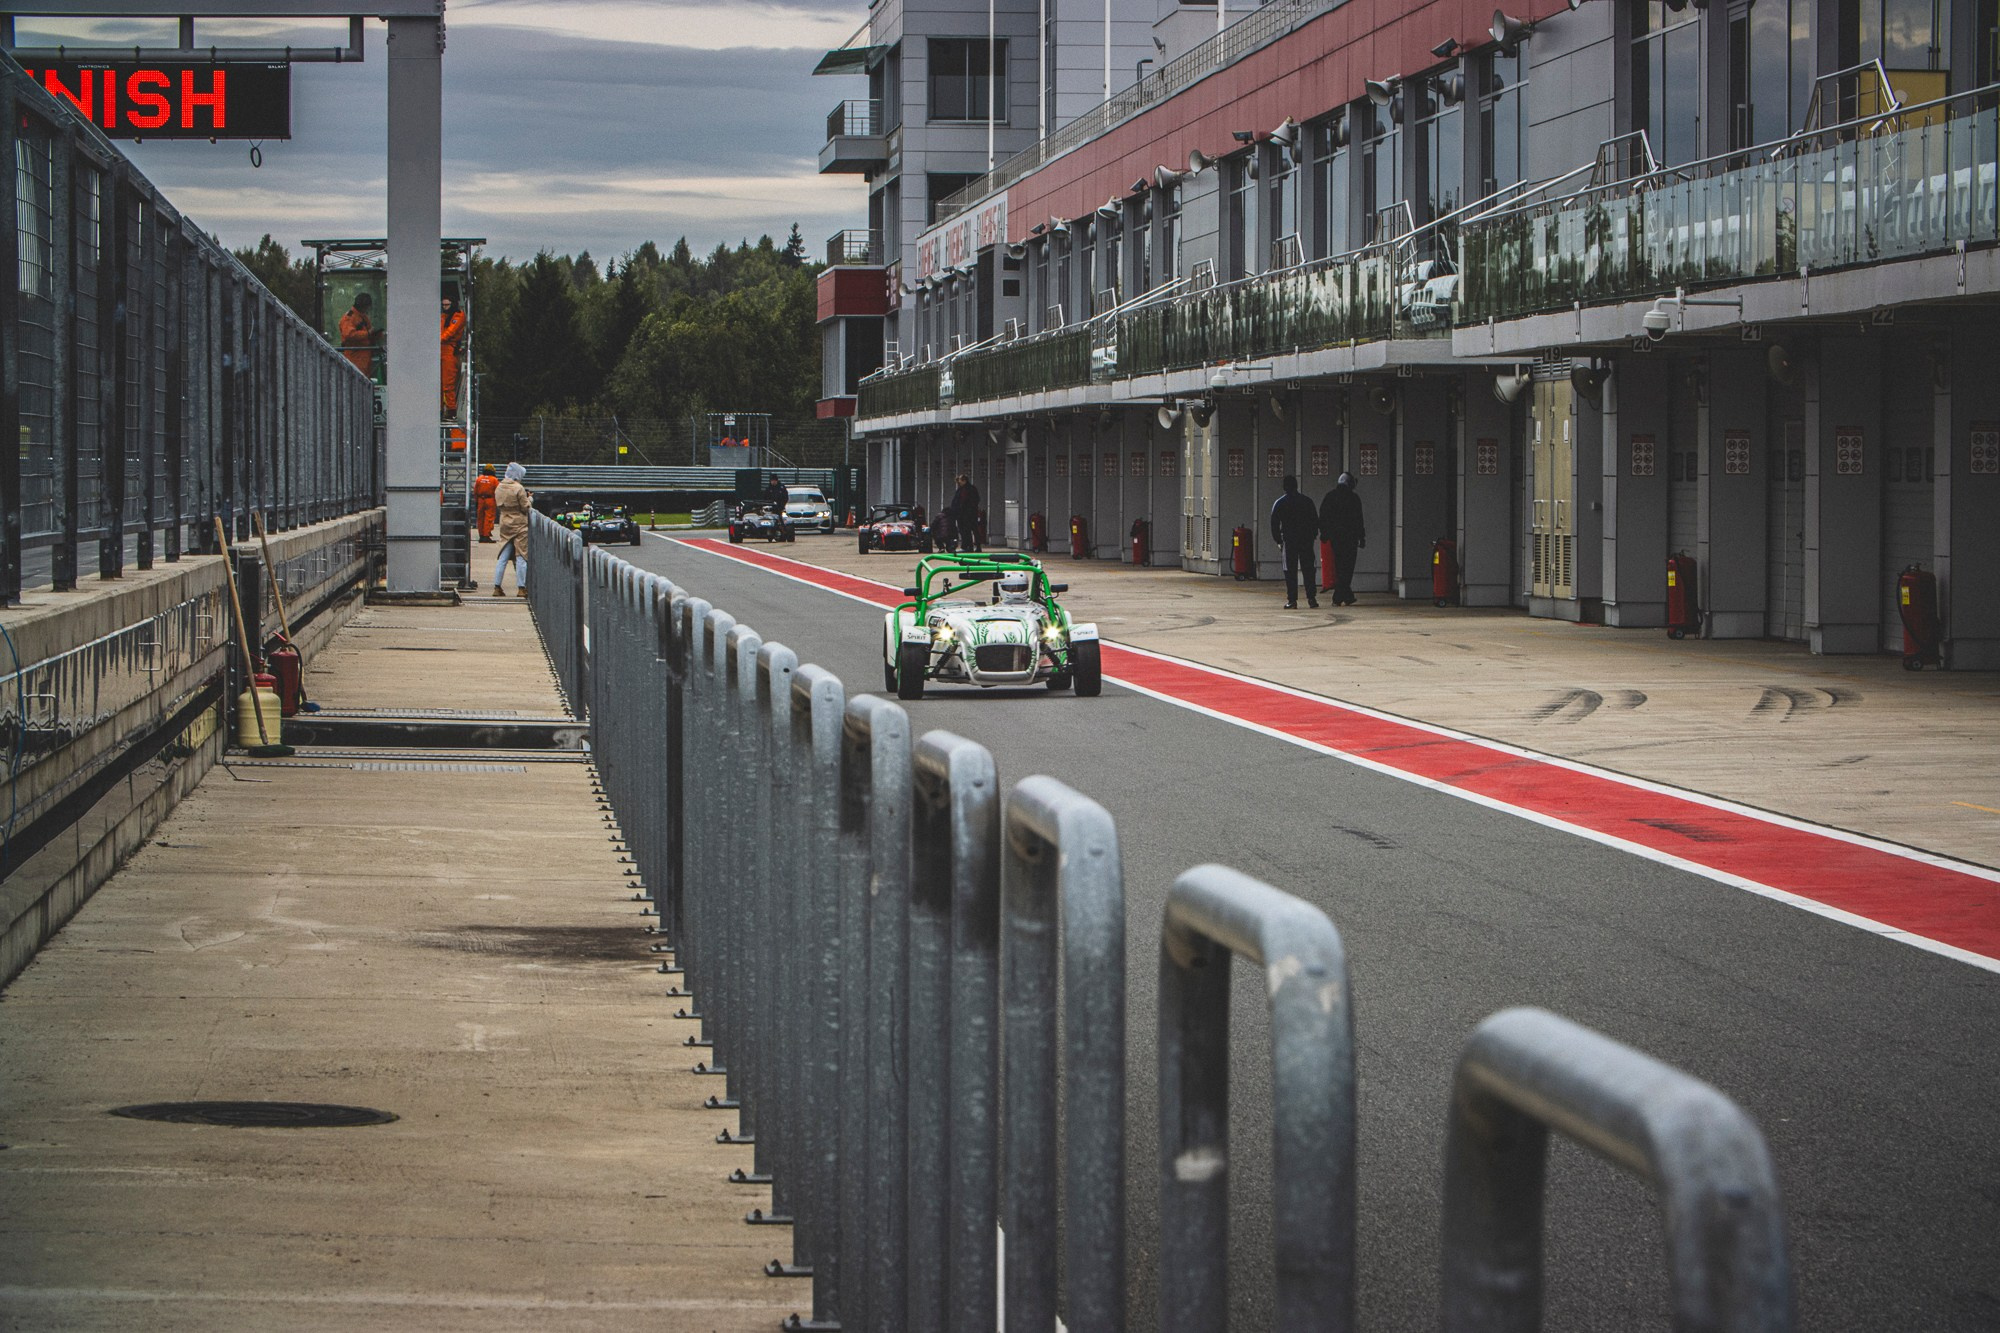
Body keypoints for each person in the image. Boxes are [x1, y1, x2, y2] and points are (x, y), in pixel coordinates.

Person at [1270, 474, 1320, 609]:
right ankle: (1311, 598)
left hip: (1289, 540)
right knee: (1308, 569)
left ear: (1284, 487)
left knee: (1290, 570)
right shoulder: (1307, 501)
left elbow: (1274, 523)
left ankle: (1292, 600)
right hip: (1306, 540)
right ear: (1296, 486)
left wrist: (1278, 540)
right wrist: (1312, 535)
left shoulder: (1280, 503)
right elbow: (1315, 520)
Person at [1318, 471, 1367, 607]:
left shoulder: (1330, 497)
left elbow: (1323, 517)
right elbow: (1359, 520)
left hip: (1334, 538)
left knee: (1339, 567)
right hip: (1350, 538)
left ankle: (1347, 596)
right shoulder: (1354, 498)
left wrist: (1324, 533)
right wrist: (1361, 537)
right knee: (1347, 568)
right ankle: (1338, 597)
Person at [493, 462, 532, 597]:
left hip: (505, 522)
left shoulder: (499, 487)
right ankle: (521, 588)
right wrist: (530, 499)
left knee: (503, 556)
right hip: (520, 525)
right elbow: (525, 507)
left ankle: (497, 587)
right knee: (521, 556)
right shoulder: (518, 488)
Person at [337, 291, 379, 376]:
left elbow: (368, 332)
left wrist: (377, 334)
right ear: (363, 306)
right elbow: (349, 334)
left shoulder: (362, 316)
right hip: (355, 357)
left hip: (364, 356)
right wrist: (367, 333)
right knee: (356, 379)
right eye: (367, 307)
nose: (368, 309)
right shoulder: (349, 317)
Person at [439, 296, 468, 417]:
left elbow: (450, 332)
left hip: (450, 350)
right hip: (440, 349)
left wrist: (437, 339)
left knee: (448, 383)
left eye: (447, 305)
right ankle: (440, 409)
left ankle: (451, 410)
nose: (445, 307)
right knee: (439, 383)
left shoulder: (458, 315)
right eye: (443, 305)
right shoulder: (443, 316)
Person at [950, 473, 983, 552]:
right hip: (970, 513)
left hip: (965, 514)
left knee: (965, 531)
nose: (959, 483)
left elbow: (961, 501)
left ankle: (967, 546)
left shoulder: (964, 490)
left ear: (964, 481)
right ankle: (975, 546)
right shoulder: (970, 489)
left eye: (960, 481)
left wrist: (959, 510)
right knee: (973, 530)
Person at [472, 463, 499, 543]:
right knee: (489, 518)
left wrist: (476, 501)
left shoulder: (479, 479)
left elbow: (475, 491)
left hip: (480, 500)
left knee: (480, 518)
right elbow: (497, 491)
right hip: (490, 500)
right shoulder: (494, 480)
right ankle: (486, 535)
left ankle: (481, 535)